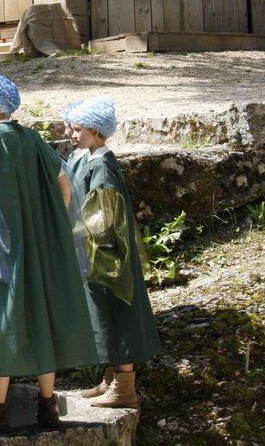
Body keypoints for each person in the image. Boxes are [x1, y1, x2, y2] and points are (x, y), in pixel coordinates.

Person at [0, 74, 98, 433]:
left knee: (5, 321)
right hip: (42, 246)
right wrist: (53, 227)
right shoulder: (32, 138)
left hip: (5, 251)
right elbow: (64, 182)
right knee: (42, 319)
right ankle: (48, 406)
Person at [66, 97, 160, 409]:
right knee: (103, 313)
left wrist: (77, 234)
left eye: (77, 129)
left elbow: (103, 218)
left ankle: (125, 388)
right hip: (94, 251)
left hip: (107, 254)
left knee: (119, 313)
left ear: (95, 130)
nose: (71, 133)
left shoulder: (102, 167)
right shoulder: (88, 159)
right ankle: (110, 378)